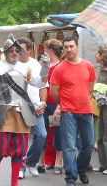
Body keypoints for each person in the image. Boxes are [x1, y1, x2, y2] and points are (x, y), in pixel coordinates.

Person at [0, 34, 49, 186]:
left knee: (19, 151)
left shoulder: (26, 68)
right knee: (0, 150)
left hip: (22, 114)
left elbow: (40, 83)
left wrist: (45, 68)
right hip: (2, 113)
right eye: (11, 50)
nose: (14, 52)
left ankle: (14, 183)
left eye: (17, 50)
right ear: (5, 52)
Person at [50, 36, 96, 186]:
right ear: (63, 49)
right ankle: (70, 177)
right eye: (66, 47)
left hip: (86, 110)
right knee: (69, 146)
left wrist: (83, 97)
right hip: (68, 111)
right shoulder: (60, 68)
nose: (69, 49)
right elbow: (54, 91)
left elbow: (91, 84)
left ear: (76, 47)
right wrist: (63, 103)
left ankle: (81, 169)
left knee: (88, 144)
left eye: (71, 46)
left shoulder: (88, 66)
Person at [17, 37, 48, 178]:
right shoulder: (12, 63)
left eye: (21, 49)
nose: (18, 51)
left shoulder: (36, 65)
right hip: (18, 107)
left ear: (29, 50)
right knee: (22, 138)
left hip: (35, 107)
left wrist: (43, 102)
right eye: (17, 48)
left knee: (42, 135)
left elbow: (43, 85)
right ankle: (20, 168)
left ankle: (30, 162)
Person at [37, 39, 64, 174]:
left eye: (45, 49)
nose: (44, 52)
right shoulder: (44, 65)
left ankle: (58, 162)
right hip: (44, 103)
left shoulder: (61, 66)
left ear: (50, 50)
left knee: (57, 133)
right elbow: (40, 81)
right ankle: (41, 162)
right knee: (44, 132)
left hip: (55, 105)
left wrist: (60, 105)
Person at [93, 45, 107, 175]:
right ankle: (103, 165)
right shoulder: (101, 69)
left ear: (103, 55)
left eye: (97, 53)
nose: (95, 55)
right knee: (100, 135)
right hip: (101, 105)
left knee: (106, 136)